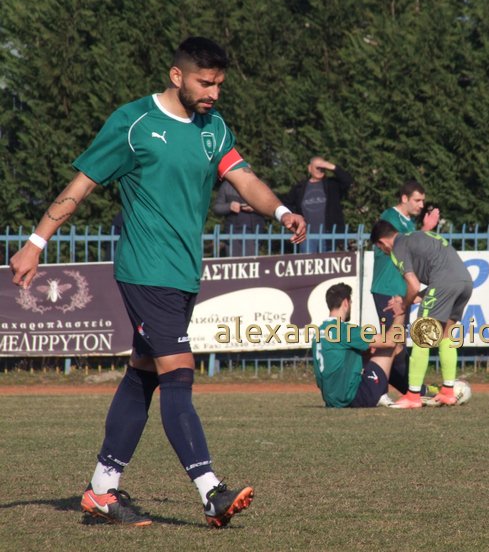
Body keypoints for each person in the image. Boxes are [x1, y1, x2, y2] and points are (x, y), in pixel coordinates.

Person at [9, 36, 306, 527]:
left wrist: (281, 211)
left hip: (184, 273)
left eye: (219, 85)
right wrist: (35, 243)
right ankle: (211, 492)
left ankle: (101, 491)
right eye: (204, 83)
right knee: (179, 376)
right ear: (176, 76)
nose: (213, 93)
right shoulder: (134, 123)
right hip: (147, 272)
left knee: (142, 374)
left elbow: (244, 178)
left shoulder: (213, 128)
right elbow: (81, 185)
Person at [371, 221, 473, 409]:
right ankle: (448, 392)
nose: (384, 252)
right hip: (465, 282)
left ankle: (413, 395)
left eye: (380, 248)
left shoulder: (398, 248)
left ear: (382, 242)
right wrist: (407, 300)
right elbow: (441, 279)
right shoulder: (418, 236)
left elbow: (414, 284)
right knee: (446, 336)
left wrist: (403, 305)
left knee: (421, 338)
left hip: (443, 283)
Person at [370, 181, 440, 399]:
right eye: (417, 200)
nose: (421, 205)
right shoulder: (390, 217)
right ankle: (382, 390)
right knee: (392, 343)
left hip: (401, 292)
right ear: (404, 198)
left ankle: (413, 390)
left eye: (423, 201)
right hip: (387, 289)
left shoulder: (408, 223)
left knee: (397, 344)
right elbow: (403, 246)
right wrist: (426, 230)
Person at [312, 282, 404, 408]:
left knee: (369, 351)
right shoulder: (344, 330)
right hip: (353, 398)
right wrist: (401, 311)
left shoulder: (319, 331)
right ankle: (410, 392)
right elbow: (390, 341)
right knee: (392, 347)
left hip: (332, 399)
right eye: (351, 302)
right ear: (346, 303)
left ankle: (384, 392)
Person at [283, 156, 353, 253]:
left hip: (329, 235)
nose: (320, 169)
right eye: (317, 167)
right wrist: (296, 220)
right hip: (307, 235)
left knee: (327, 262)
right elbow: (287, 203)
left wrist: (331, 166)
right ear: (309, 168)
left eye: (323, 167)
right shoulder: (300, 188)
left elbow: (348, 181)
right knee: (307, 261)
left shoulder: (332, 185)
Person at [213, 180, 265, 256]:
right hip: (232, 235)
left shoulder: (258, 184)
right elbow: (217, 208)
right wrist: (229, 206)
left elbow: (268, 208)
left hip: (253, 234)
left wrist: (255, 207)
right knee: (233, 262)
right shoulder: (227, 185)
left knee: (250, 262)